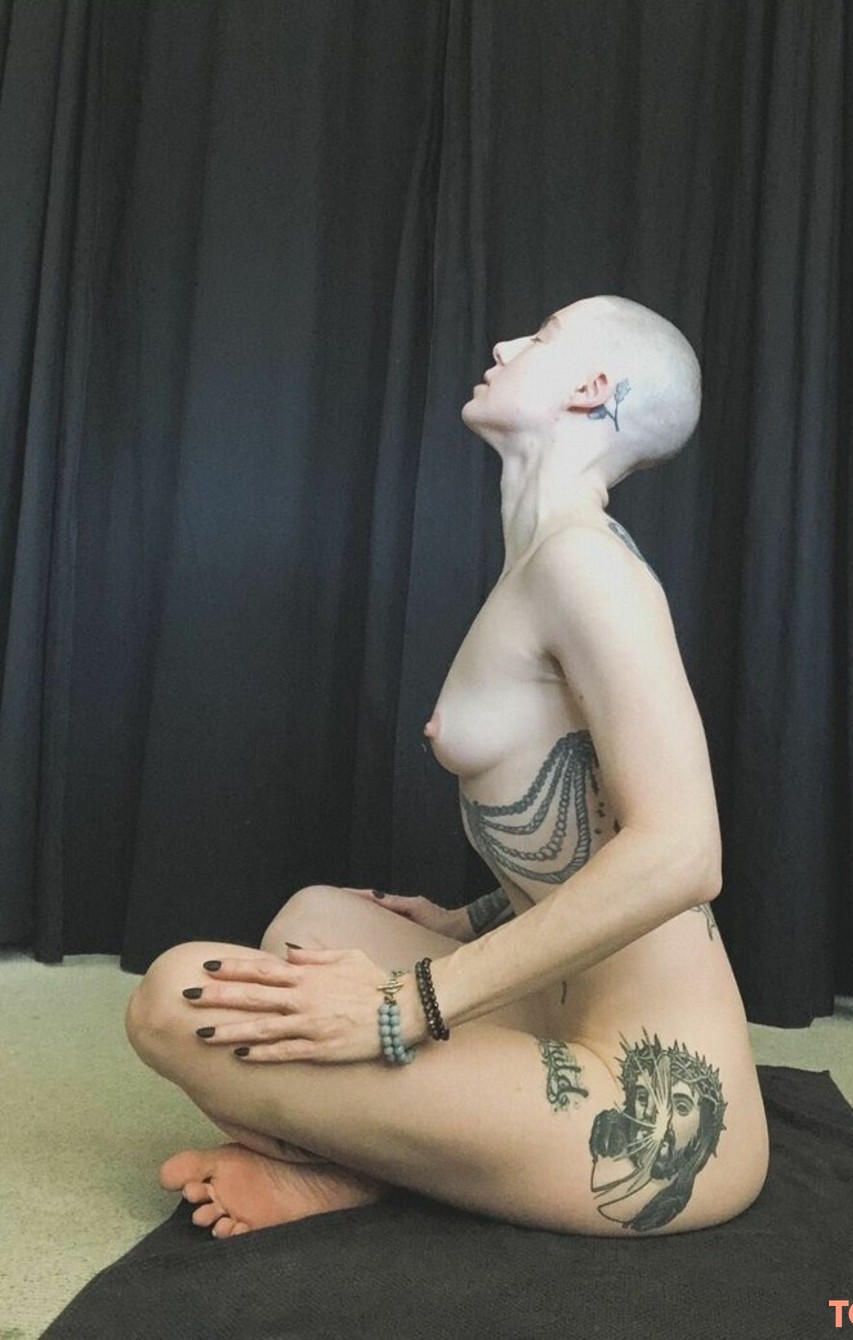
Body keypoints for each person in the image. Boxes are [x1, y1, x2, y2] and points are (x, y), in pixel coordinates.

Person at [125, 295, 769, 1239]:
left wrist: (404, 1006)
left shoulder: (587, 568)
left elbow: (682, 851)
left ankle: (362, 1168)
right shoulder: (545, 561)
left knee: (171, 1002)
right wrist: (466, 922)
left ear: (592, 388)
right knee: (313, 920)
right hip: (552, 1008)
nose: (506, 344)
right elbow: (590, 814)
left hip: (642, 1098)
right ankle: (377, 1161)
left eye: (542, 338)